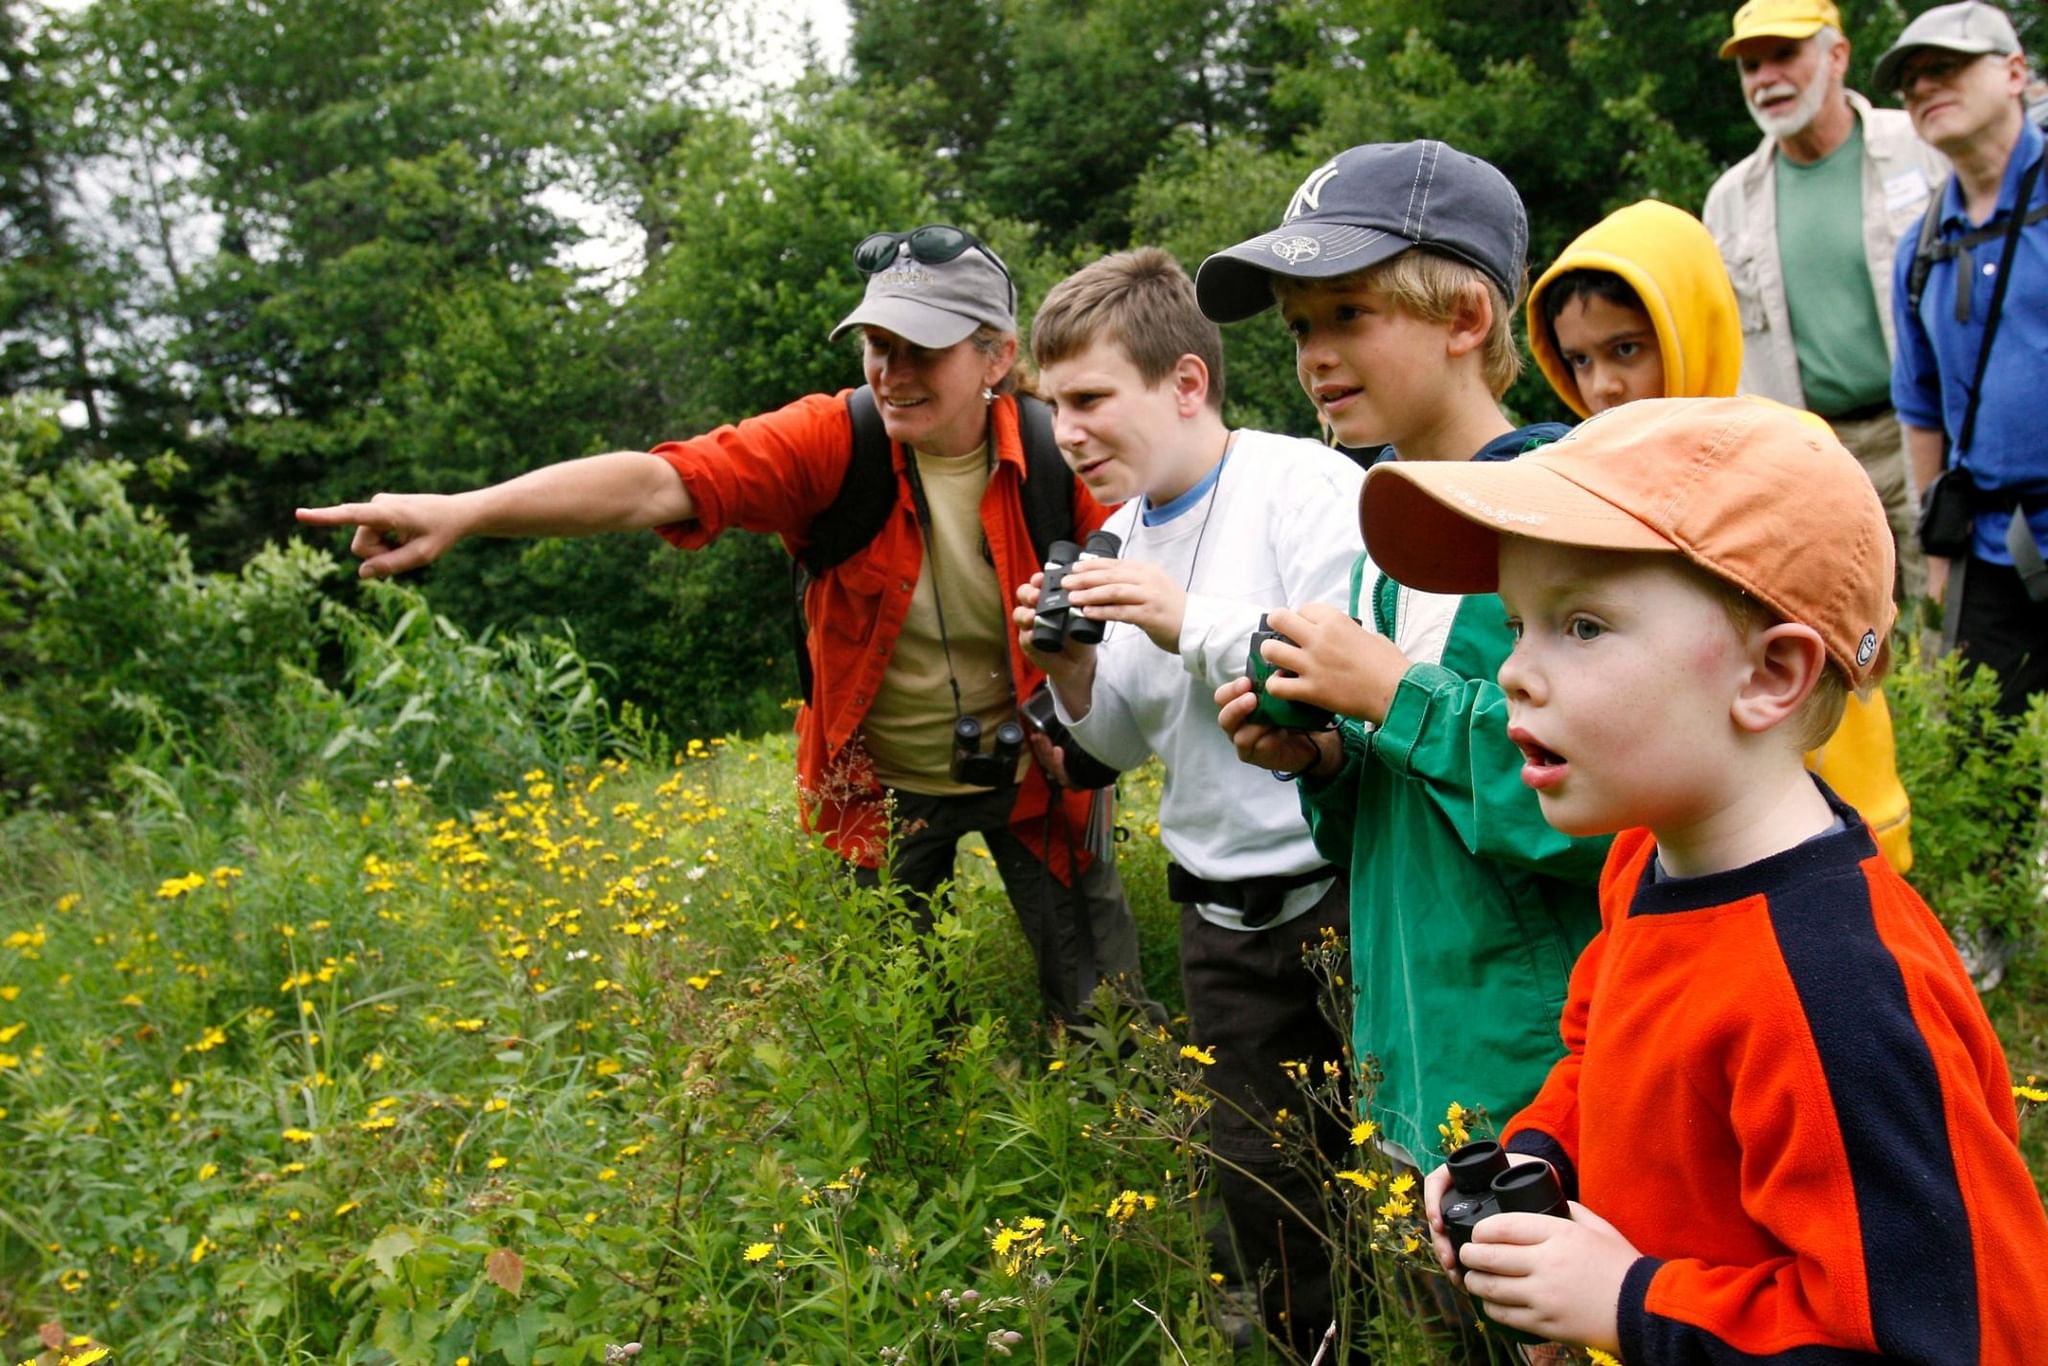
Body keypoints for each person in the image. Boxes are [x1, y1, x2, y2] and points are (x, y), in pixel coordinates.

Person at [296, 225, 1157, 1026]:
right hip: (877, 789)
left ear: (996, 358)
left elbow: (1158, 583)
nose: (891, 372)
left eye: (920, 350)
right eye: (877, 345)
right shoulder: (833, 441)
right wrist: (464, 511)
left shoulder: (1064, 454)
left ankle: (1136, 1151)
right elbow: (653, 485)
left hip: (1039, 777)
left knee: (1104, 1011)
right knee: (902, 1033)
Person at [1388, 396, 2048, 1362]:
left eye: (1580, 626)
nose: (1517, 675)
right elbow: (1596, 1058)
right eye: (1516, 624)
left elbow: (1948, 1338)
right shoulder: (1647, 857)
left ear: (1771, 676)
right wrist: (1541, 1157)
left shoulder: (1834, 997)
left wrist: (1626, 1302)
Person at [1195, 141, 1609, 1179]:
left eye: (1347, 315)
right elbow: (1389, 828)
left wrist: (1389, 692)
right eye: (1298, 328)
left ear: (1465, 319)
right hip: (1409, 1062)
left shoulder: (1558, 517)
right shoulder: (1387, 551)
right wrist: (1325, 762)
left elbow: (1595, 813)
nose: (1313, 356)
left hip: (1538, 1071)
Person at [1011, 248, 1363, 1353]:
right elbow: (1119, 739)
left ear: (1184, 384)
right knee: (1263, 1185)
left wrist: (1178, 610)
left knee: (1393, 1155)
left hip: (1344, 893)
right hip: (1216, 918)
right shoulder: (1110, 542)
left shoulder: (1303, 485)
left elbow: (1346, 675)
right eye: (1049, 405)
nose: (1064, 432)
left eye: (1086, 399)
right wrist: (1069, 672)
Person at [1527, 198, 1913, 875]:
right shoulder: (1596, 483)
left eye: (1626, 349)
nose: (1604, 385)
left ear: (1694, 328)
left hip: (1819, 818)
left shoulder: (1785, 455)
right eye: (1579, 361)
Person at [1703, 0, 1948, 604]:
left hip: (1923, 435)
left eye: (1785, 55)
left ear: (1837, 55)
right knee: (1836, 630)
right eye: (1751, 66)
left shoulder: (1920, 146)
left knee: (1949, 627)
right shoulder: (1729, 200)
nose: (1766, 79)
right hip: (1814, 456)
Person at [1881, 1, 2048, 720]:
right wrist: (1940, 560)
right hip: (1988, 552)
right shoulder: (1919, 251)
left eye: (1945, 68)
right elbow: (1921, 411)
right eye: (1911, 80)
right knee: (1989, 775)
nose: (1923, 88)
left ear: (2015, 72)